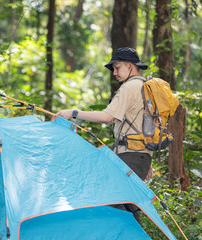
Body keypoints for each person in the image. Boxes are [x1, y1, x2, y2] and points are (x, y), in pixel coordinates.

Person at [57, 47, 152, 223]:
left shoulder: (130, 87)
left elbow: (107, 116)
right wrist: (146, 159)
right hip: (140, 157)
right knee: (129, 208)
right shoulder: (146, 87)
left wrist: (74, 112)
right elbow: (148, 127)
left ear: (130, 66)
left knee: (113, 205)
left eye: (117, 67)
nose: (114, 72)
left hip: (130, 156)